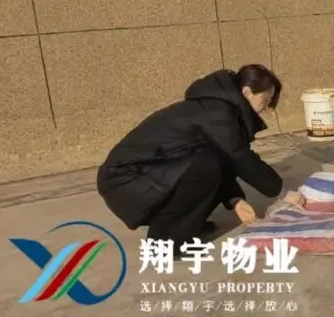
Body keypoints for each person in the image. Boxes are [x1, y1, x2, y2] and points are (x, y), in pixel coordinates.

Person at [97, 65, 301, 250]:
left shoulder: (218, 109)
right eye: (266, 99)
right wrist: (282, 192)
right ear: (247, 92)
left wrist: (235, 200)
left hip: (141, 175)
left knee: (210, 164)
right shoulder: (217, 112)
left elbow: (226, 158)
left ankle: (186, 227)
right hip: (125, 180)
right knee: (206, 167)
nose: (267, 106)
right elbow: (239, 157)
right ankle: (164, 241)